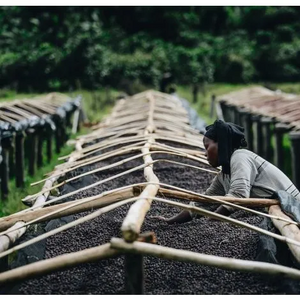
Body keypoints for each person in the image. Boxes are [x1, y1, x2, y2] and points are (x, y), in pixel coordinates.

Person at [151, 119, 300, 224]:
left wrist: (211, 221)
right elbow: (203, 203)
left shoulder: (240, 156)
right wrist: (170, 222)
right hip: (280, 210)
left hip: (293, 209)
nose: (205, 153)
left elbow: (238, 195)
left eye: (207, 147)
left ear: (220, 144)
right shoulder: (224, 175)